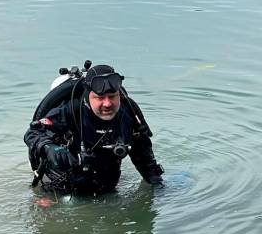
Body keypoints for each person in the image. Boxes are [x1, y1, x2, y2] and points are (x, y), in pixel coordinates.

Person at [24, 64, 164, 194]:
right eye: (100, 97)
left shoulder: (127, 115)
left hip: (107, 189)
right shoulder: (70, 111)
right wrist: (47, 147)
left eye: (112, 96)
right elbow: (32, 133)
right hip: (59, 189)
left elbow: (144, 158)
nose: (107, 103)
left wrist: (158, 188)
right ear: (88, 96)